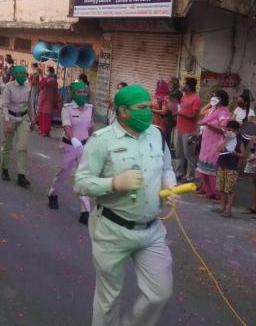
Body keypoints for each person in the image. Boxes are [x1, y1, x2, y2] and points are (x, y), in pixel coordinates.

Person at [74, 84, 178, 326]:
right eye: (142, 108)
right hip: (112, 228)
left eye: (150, 108)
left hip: (151, 231)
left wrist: (170, 186)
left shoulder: (157, 134)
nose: (149, 113)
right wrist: (114, 183)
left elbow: (167, 169)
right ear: (122, 111)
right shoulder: (102, 141)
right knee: (108, 298)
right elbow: (81, 183)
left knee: (159, 293)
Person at [48, 81, 94, 224]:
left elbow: (91, 127)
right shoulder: (66, 109)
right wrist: (73, 139)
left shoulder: (90, 108)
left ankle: (85, 210)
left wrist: (91, 139)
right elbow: (67, 126)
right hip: (69, 145)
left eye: (84, 92)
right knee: (63, 172)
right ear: (73, 94)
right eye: (79, 92)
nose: (82, 95)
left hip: (84, 146)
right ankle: (53, 194)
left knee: (83, 176)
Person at [0, 65, 35, 188]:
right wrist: (7, 121)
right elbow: (4, 105)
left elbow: (30, 104)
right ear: (15, 75)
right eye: (19, 74)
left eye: (24, 74)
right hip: (10, 117)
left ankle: (21, 175)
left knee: (22, 147)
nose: (22, 76)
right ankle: (4, 169)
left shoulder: (28, 87)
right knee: (7, 145)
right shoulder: (9, 87)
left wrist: (33, 120)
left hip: (23, 118)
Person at [195, 90, 232, 200]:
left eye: (217, 97)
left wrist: (208, 124)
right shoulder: (212, 109)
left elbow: (222, 129)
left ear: (222, 99)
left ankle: (217, 194)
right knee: (203, 170)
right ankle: (209, 191)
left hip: (215, 144)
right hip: (206, 143)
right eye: (213, 96)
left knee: (213, 172)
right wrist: (210, 104)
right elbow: (202, 112)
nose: (214, 98)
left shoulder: (224, 112)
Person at [212, 120, 247, 217]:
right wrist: (226, 140)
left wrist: (236, 154)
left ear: (236, 131)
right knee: (222, 187)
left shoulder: (239, 141)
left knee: (230, 189)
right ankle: (222, 207)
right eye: (228, 129)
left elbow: (244, 154)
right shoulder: (224, 138)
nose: (229, 132)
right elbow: (218, 149)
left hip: (232, 167)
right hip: (222, 165)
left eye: (231, 130)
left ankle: (228, 209)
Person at [174, 77, 201, 182]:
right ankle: (179, 173)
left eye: (184, 83)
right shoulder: (184, 97)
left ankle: (190, 176)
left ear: (188, 86)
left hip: (189, 131)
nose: (182, 85)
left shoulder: (196, 99)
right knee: (179, 153)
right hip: (180, 129)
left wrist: (180, 113)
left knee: (189, 154)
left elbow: (194, 116)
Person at [36, 66, 59, 137]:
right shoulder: (47, 78)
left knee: (46, 116)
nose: (47, 72)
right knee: (41, 115)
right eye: (46, 70)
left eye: (48, 71)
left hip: (48, 100)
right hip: (42, 98)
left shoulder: (53, 80)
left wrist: (41, 74)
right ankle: (42, 129)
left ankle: (46, 132)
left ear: (51, 72)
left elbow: (45, 83)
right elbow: (40, 84)